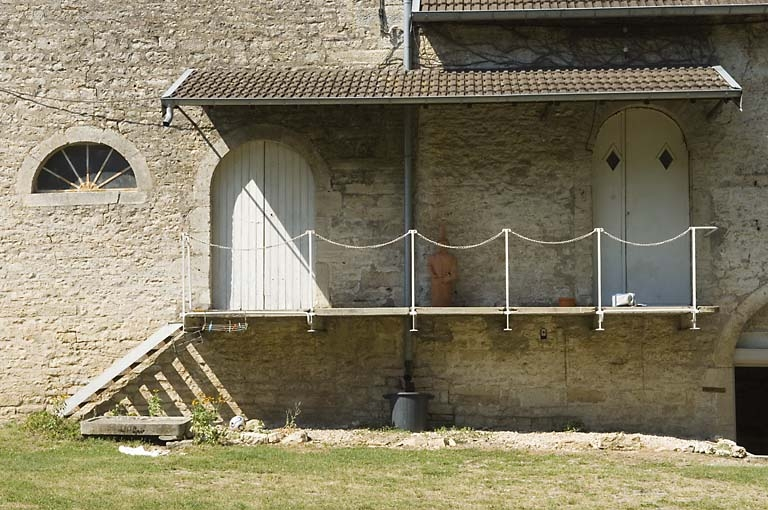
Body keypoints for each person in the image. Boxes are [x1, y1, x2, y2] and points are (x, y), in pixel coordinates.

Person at [427, 226, 458, 307]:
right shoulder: (433, 258)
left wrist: (445, 279)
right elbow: (429, 267)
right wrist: (435, 277)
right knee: (436, 300)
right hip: (436, 284)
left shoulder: (451, 258)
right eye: (440, 245)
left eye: (444, 245)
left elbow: (454, 274)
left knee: (446, 300)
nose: (442, 247)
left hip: (446, 284)